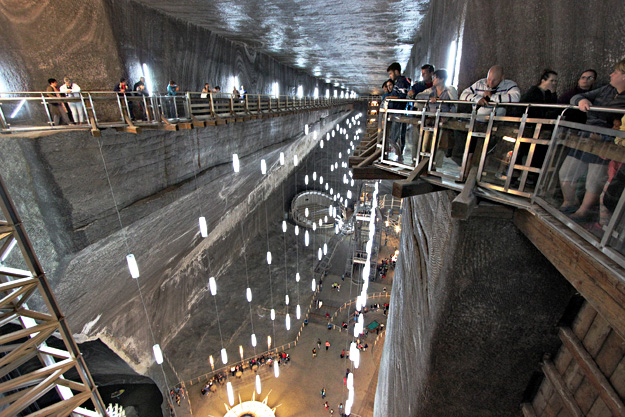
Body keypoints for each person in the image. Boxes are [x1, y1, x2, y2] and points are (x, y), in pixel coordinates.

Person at [559, 60, 625, 222]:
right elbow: (578, 95)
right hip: (586, 135)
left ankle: (584, 212)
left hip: (607, 141)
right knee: (566, 172)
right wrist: (580, 101)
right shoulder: (607, 89)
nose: (611, 74)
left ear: (624, 76)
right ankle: (570, 202)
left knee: (594, 179)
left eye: (615, 72)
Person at [386, 62, 411, 161]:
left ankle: (399, 155)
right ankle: (398, 155)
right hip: (396, 112)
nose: (390, 76)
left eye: (391, 73)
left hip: (399, 112)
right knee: (395, 136)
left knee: (394, 137)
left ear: (396, 71)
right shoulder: (398, 82)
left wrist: (389, 97)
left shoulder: (401, 82)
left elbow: (402, 96)